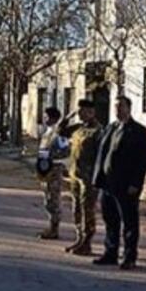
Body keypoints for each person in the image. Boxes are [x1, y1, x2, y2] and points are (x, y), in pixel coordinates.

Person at [92, 96, 146, 270]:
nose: (117, 110)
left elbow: (143, 161)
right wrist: (98, 178)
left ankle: (130, 256)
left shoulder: (138, 131)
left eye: (121, 107)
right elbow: (102, 154)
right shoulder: (111, 128)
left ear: (129, 108)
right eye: (116, 107)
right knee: (110, 220)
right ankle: (111, 252)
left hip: (126, 185)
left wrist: (136, 183)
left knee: (129, 222)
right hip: (108, 184)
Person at [58, 99, 102, 256]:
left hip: (88, 178)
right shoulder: (78, 128)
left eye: (83, 111)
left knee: (87, 210)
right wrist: (68, 116)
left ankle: (87, 242)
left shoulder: (98, 131)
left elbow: (100, 156)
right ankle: (79, 238)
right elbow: (60, 131)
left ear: (92, 112)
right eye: (79, 111)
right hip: (75, 174)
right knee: (76, 207)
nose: (81, 114)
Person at [36, 107, 66, 240]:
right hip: (45, 169)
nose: (44, 119)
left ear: (54, 118)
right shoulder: (47, 132)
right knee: (47, 199)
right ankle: (51, 226)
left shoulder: (58, 133)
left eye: (47, 117)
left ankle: (54, 228)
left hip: (54, 169)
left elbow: (65, 150)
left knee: (53, 199)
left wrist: (52, 157)